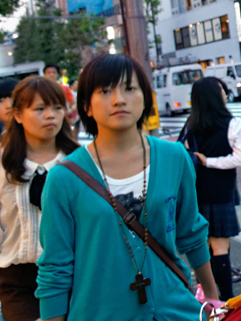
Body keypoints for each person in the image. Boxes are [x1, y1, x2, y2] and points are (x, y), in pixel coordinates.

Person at [36, 54, 219, 321]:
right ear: (86, 106)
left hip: (176, 310)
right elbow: (55, 266)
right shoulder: (64, 178)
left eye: (129, 88)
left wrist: (212, 297)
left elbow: (190, 231)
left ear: (145, 98)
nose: (118, 99)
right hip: (96, 313)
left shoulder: (174, 157)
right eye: (105, 91)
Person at [0, 77, 78, 321]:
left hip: (75, 274)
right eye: (40, 109)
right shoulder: (3, 163)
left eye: (57, 107)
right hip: (18, 279)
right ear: (18, 115)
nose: (51, 115)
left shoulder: (79, 163)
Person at [182, 77, 241, 300]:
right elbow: (239, 158)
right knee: (220, 247)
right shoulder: (233, 123)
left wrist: (203, 160)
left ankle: (207, 297)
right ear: (214, 95)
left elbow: (184, 152)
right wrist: (210, 161)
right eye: (220, 89)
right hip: (221, 190)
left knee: (206, 245)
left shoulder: (191, 125)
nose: (224, 92)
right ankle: (226, 301)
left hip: (197, 191)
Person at [42, 66, 76, 136]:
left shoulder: (64, 88)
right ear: (44, 74)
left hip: (63, 120)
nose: (51, 74)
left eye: (54, 72)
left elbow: (73, 103)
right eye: (48, 72)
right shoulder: (40, 90)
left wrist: (68, 111)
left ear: (57, 74)